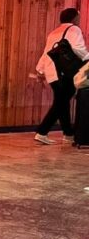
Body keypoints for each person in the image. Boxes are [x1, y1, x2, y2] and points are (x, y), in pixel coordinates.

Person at [33, 8, 89, 144]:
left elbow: (47, 51)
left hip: (52, 72)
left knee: (62, 100)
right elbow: (79, 48)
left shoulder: (54, 32)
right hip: (65, 71)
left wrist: (40, 70)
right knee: (61, 102)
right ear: (74, 18)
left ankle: (68, 133)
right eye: (78, 17)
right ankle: (42, 131)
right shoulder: (74, 30)